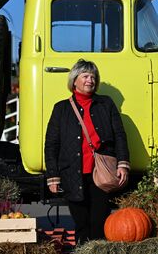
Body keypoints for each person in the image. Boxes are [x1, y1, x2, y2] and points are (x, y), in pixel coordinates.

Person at [44, 59, 130, 244]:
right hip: (71, 174)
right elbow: (51, 144)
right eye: (85, 76)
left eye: (93, 77)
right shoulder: (61, 109)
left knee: (98, 222)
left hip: (100, 173)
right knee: (81, 223)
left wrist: (123, 163)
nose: (90, 80)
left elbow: (120, 135)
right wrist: (53, 176)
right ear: (75, 80)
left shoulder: (105, 104)